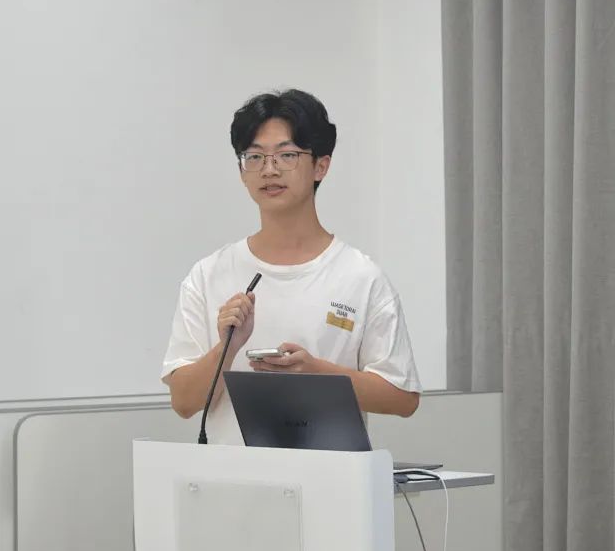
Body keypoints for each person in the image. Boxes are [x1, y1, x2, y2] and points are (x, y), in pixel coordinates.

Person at [161, 89, 421, 444]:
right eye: (255, 157)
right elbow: (183, 401)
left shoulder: (361, 277)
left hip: (330, 474)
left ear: (321, 166)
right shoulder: (207, 276)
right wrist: (227, 348)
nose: (269, 169)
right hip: (233, 476)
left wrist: (315, 373)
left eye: (287, 155)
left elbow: (403, 397)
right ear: (242, 171)